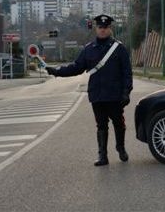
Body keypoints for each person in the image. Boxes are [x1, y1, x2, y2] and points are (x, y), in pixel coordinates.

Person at [46, 14, 133, 166]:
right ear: (96, 29)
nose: (103, 30)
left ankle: (120, 147)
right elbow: (77, 68)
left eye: (105, 28)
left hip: (114, 95)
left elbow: (127, 72)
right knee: (101, 125)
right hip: (97, 95)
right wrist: (57, 71)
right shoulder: (88, 49)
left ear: (110, 29)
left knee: (119, 123)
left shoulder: (119, 49)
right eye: (100, 27)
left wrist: (126, 92)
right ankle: (102, 156)